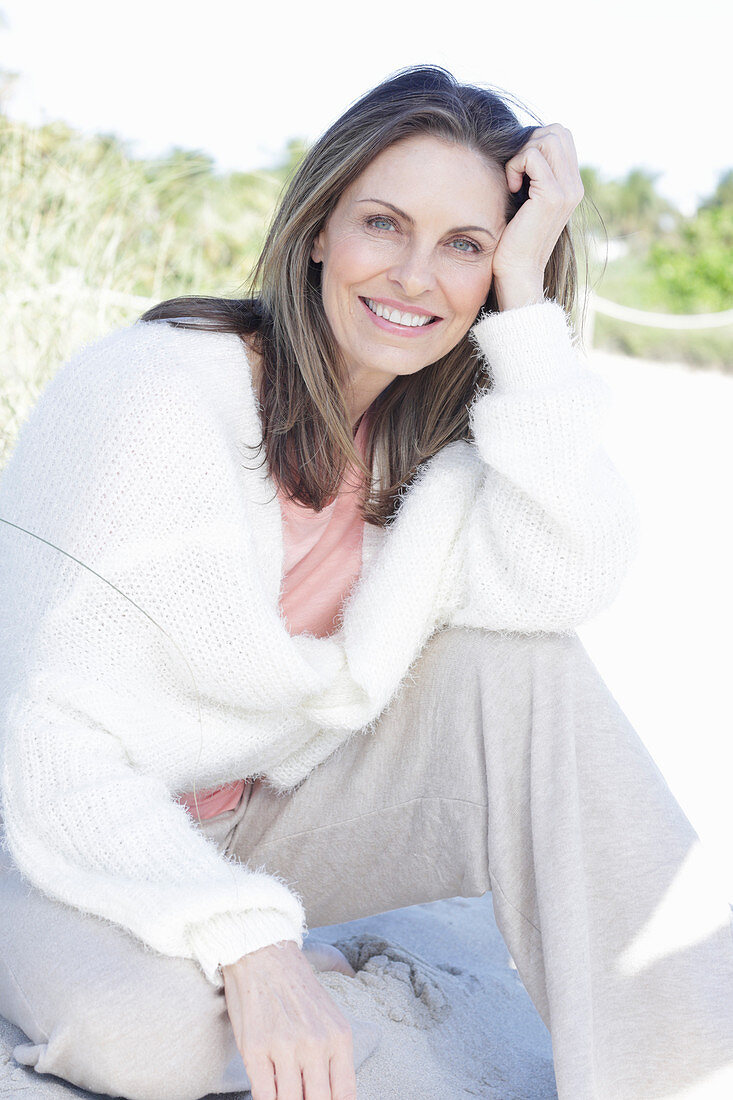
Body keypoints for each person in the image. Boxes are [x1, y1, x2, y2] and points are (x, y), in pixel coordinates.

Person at [0, 63, 731, 1100]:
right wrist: (250, 941)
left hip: (262, 814)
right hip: (49, 829)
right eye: (382, 224)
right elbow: (54, 745)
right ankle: (227, 965)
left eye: (465, 246)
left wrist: (525, 294)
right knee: (151, 1041)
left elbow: (566, 576)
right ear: (317, 230)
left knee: (526, 668)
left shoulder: (428, 456)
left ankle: (682, 1072)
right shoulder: (150, 396)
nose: (414, 276)